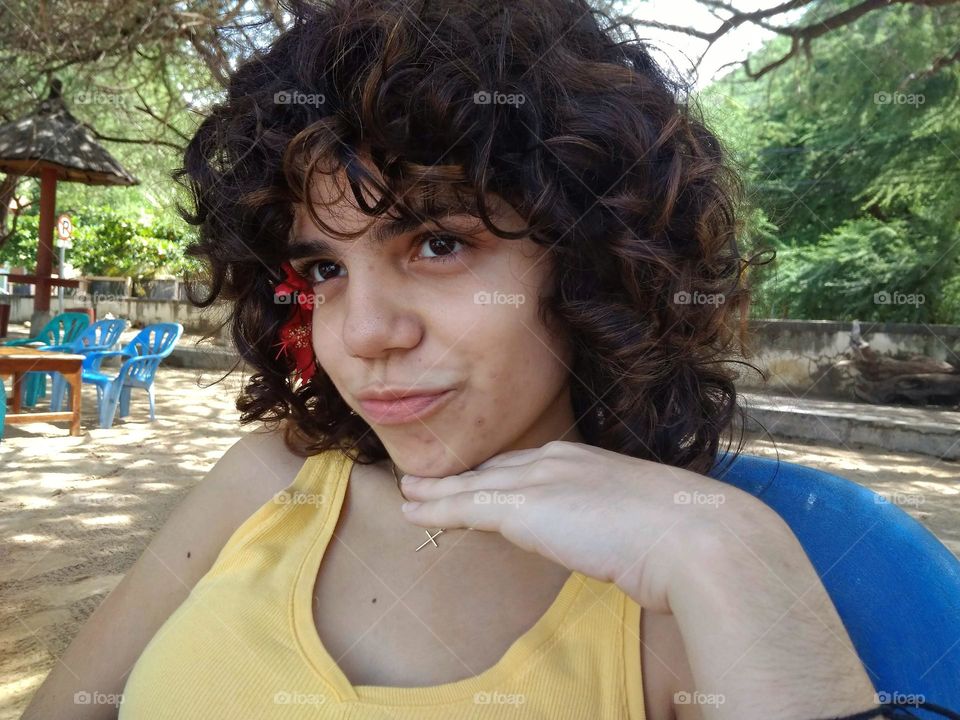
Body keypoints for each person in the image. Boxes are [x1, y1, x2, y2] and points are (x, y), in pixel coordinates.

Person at [21, 0, 884, 718]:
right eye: (325, 268)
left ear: (595, 264)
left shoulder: (673, 604)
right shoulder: (264, 486)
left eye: (437, 243)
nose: (363, 334)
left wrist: (730, 545)